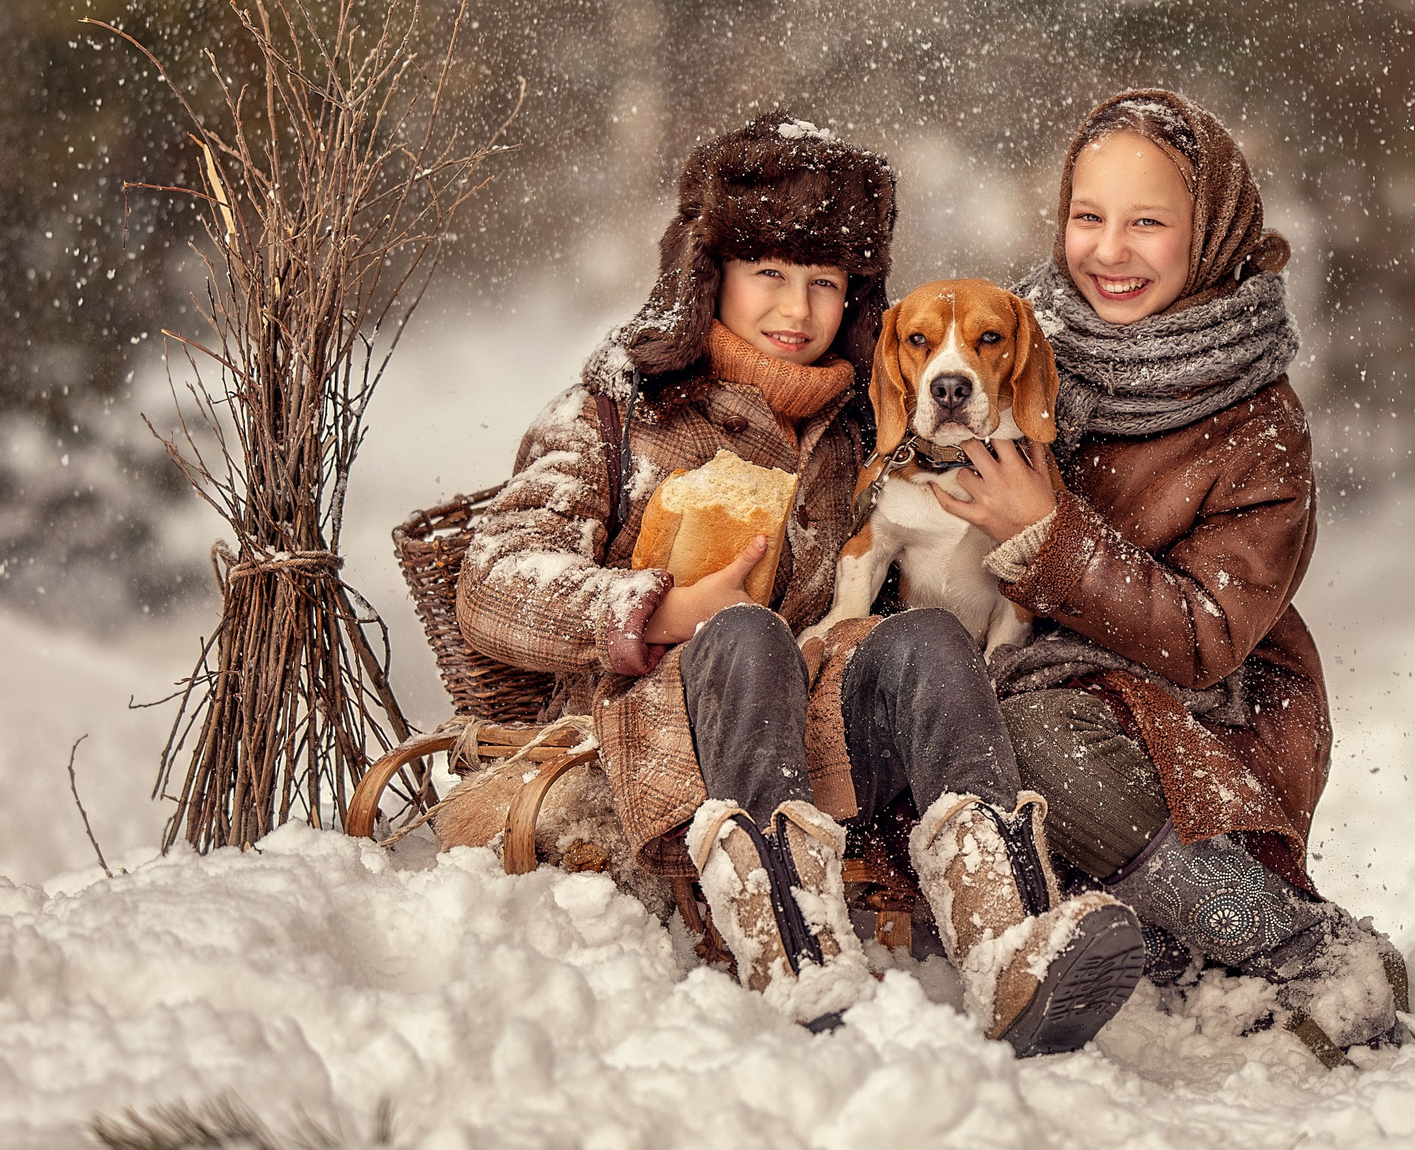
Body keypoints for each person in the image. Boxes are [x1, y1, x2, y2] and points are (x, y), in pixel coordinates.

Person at [454, 114, 1145, 1054]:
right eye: (769, 272)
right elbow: (493, 576)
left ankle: (1006, 938)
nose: (797, 308)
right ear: (710, 274)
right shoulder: (619, 408)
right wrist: (665, 608)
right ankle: (793, 945)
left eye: (824, 281)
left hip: (823, 740)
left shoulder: (873, 431)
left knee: (933, 640)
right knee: (745, 635)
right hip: (661, 733)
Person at [940, 89, 1407, 1055]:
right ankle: (1157, 947)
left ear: (1212, 230)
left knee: (1029, 734)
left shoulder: (1257, 422)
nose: (1109, 250)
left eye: (1147, 222)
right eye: (1088, 216)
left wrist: (1050, 536)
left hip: (1204, 709)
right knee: (944, 701)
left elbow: (1205, 636)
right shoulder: (1016, 352)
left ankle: (1294, 942)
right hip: (1041, 670)